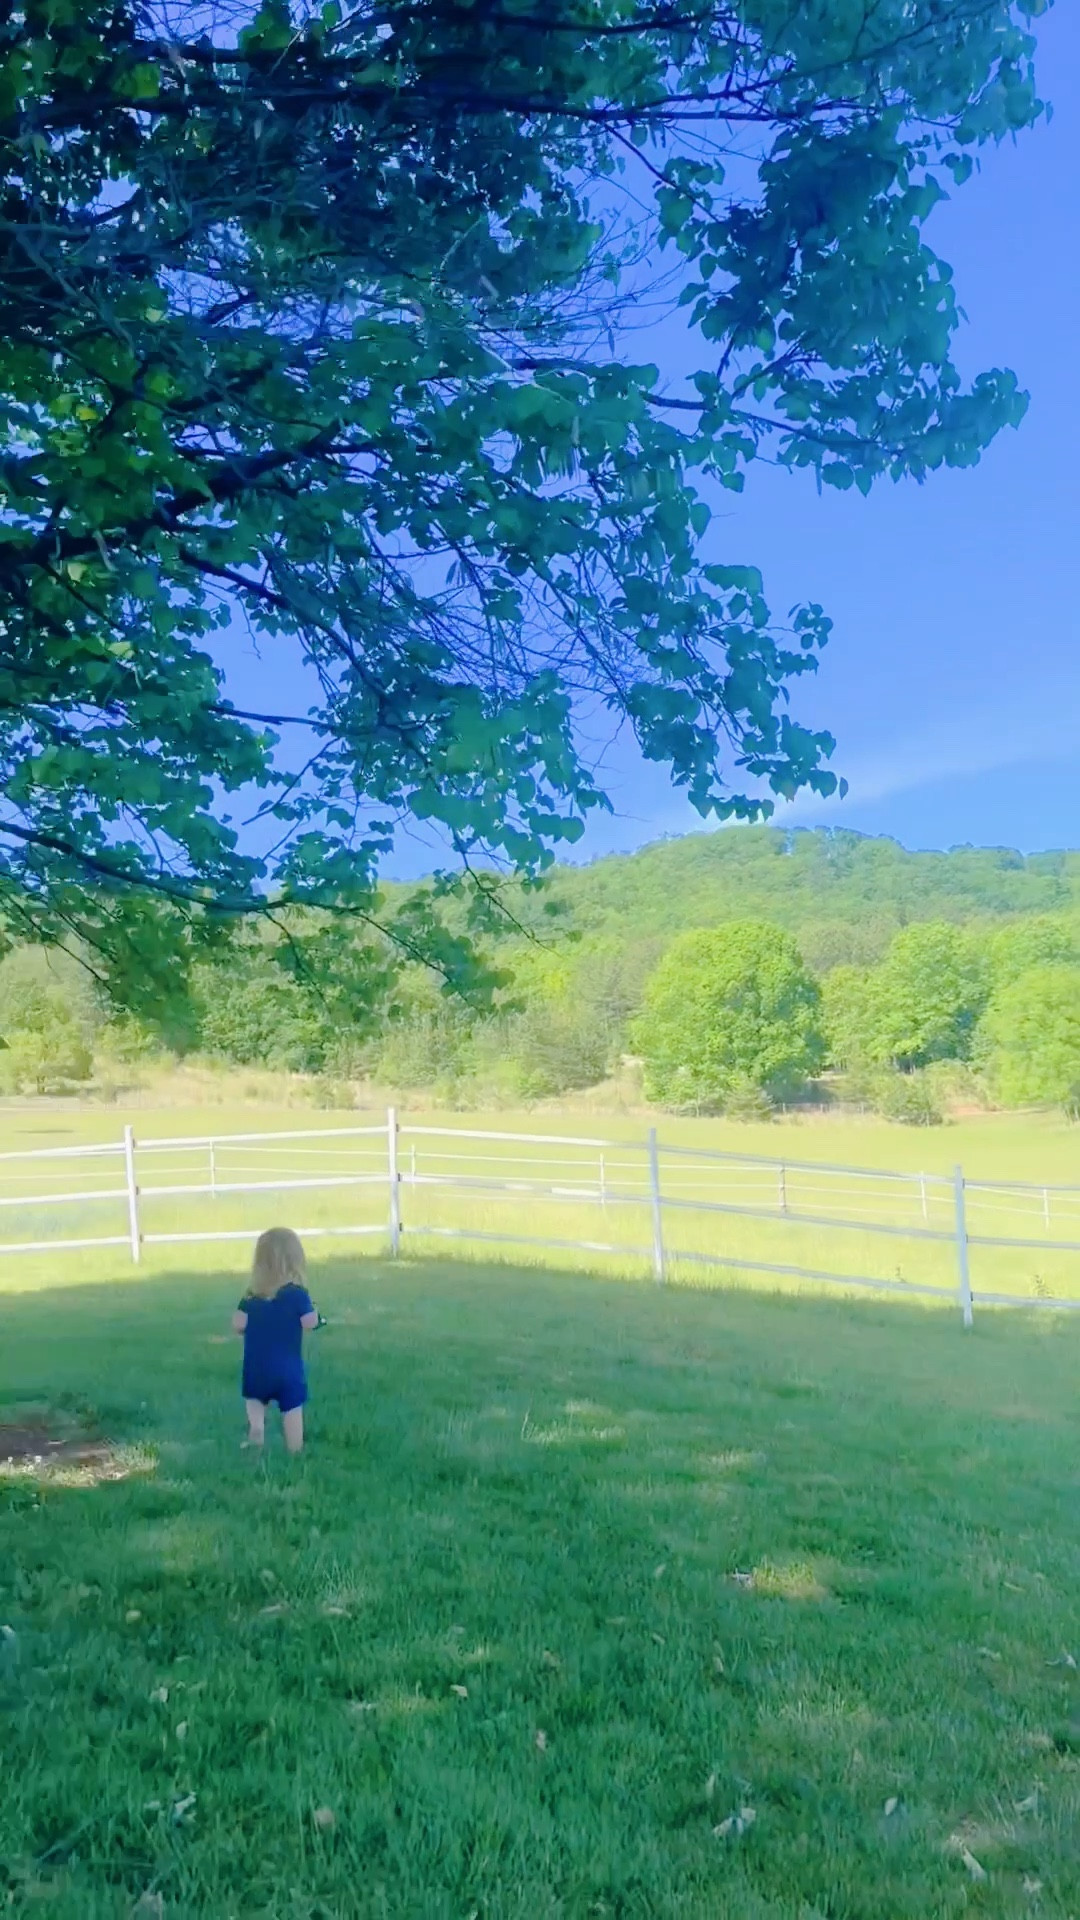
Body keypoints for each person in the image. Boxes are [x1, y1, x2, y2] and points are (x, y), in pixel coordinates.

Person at [232, 1227, 320, 1454]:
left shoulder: (251, 1296)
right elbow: (310, 1322)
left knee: (255, 1401)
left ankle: (257, 1430)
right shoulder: (297, 1294)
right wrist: (318, 1318)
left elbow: (238, 1324)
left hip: (256, 1368)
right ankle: (295, 1448)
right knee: (292, 1407)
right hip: (287, 1370)